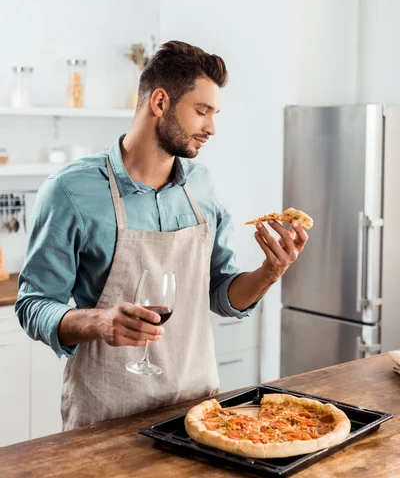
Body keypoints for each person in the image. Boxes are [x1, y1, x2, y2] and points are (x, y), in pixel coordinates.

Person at [15, 41, 308, 429]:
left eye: (214, 113)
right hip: (105, 419)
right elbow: (34, 304)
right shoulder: (70, 191)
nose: (212, 128)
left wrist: (268, 273)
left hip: (197, 415)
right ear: (159, 103)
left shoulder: (202, 187)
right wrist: (100, 322)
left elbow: (220, 292)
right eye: (202, 111)